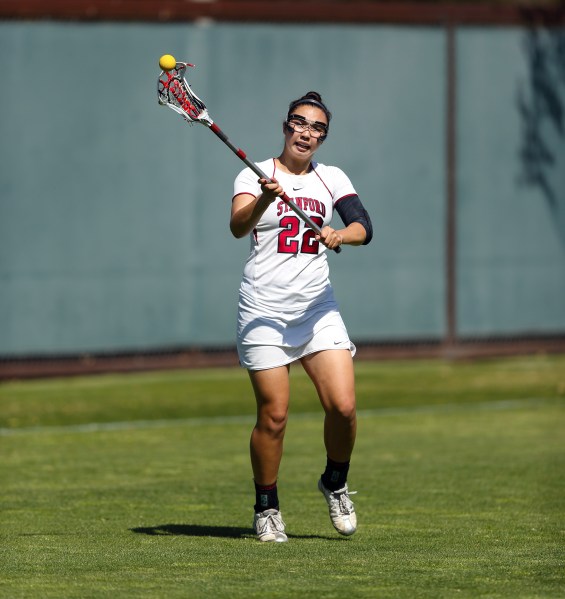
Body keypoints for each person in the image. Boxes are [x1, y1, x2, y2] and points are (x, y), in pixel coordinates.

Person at [229, 91, 372, 542]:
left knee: (344, 407)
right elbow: (237, 226)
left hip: (316, 309)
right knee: (274, 416)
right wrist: (263, 203)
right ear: (285, 125)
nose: (307, 133)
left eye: (317, 128)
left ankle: (335, 479)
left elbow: (364, 225)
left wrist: (340, 234)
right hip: (263, 311)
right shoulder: (256, 174)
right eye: (300, 123)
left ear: (322, 138)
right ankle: (266, 506)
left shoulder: (330, 178)